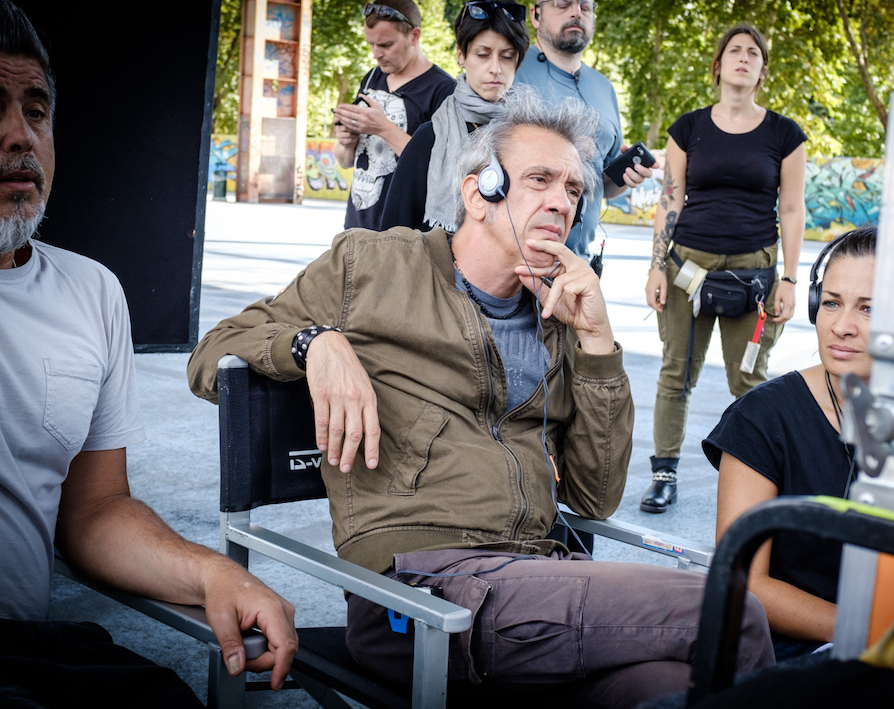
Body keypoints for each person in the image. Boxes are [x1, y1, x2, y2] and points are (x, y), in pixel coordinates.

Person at [187, 90, 774, 708]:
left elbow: (594, 497)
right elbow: (212, 355)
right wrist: (316, 344)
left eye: (574, 189)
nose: (562, 202)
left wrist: (598, 342)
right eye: (540, 180)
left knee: (672, 689)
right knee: (730, 613)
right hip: (418, 597)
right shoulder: (372, 266)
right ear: (479, 193)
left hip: (540, 582)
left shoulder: (557, 314)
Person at [0, 0, 297, 705]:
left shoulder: (91, 292)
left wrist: (212, 573)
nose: (19, 135)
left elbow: (94, 511)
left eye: (36, 111)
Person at [641, 23, 807, 513]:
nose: (743, 57)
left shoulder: (785, 134)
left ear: (763, 71)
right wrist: (656, 266)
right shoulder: (688, 128)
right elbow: (670, 199)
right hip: (686, 270)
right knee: (676, 375)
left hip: (753, 275)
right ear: (717, 66)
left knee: (750, 381)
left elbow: (792, 210)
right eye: (734, 50)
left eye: (754, 52)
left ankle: (755, 478)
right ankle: (664, 474)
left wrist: (789, 278)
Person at [703, 225, 877, 661]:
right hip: (798, 652)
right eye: (831, 303)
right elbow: (744, 579)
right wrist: (871, 633)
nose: (842, 327)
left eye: (869, 309)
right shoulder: (762, 417)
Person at [514, 0, 651, 259]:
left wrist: (626, 178)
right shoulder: (508, 72)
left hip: (580, 262)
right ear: (536, 15)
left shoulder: (605, 88)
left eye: (585, 7)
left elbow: (605, 187)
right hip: (519, 259)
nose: (576, 12)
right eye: (563, 3)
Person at [380, 0, 529, 232]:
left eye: (507, 56)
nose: (495, 68)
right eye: (483, 54)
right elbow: (393, 232)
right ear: (461, 55)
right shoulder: (430, 137)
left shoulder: (532, 136)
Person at [333, 0, 455, 231]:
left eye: (386, 45)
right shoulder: (371, 77)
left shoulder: (443, 90)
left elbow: (438, 171)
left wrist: (383, 128)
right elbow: (345, 161)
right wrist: (347, 142)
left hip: (403, 234)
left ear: (414, 36)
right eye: (371, 44)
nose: (376, 53)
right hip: (356, 228)